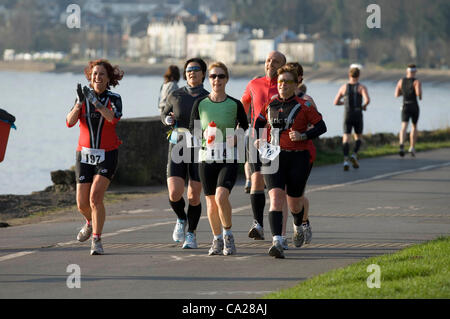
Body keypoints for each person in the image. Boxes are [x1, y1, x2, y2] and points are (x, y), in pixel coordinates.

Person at [256, 66, 326, 258]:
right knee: (276, 197)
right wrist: (258, 139)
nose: (283, 85)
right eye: (280, 82)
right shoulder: (270, 104)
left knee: (294, 203)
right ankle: (277, 240)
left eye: (287, 82)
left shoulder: (305, 105)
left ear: (296, 84)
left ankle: (298, 223)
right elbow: (258, 122)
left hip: (298, 157)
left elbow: (321, 127)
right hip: (274, 155)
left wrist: (303, 135)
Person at [190, 62, 249, 256]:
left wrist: (237, 135)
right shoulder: (201, 104)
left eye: (221, 76)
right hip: (207, 158)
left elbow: (244, 125)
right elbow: (193, 129)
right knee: (210, 203)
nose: (217, 80)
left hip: (228, 157)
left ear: (227, 79)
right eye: (213, 76)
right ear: (209, 79)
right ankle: (216, 239)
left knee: (221, 196)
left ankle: (228, 235)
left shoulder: (234, 104)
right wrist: (204, 134)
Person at [66, 59, 124, 255]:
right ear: (89, 77)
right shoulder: (81, 97)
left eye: (101, 74)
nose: (97, 77)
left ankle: (97, 240)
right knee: (82, 203)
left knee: (95, 197)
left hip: (107, 154)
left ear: (108, 79)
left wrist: (96, 102)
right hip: (84, 154)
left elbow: (112, 119)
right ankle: (90, 222)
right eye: (94, 74)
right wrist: (79, 104)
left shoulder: (114, 98)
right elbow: (69, 122)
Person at [161, 58, 209, 249]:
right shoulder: (176, 95)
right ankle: (181, 219)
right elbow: (163, 115)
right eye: (189, 70)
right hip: (178, 146)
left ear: (203, 74)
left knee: (194, 196)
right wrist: (168, 119)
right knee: (174, 192)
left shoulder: (208, 97)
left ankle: (191, 234)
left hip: (199, 148)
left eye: (196, 69)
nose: (192, 72)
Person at [241, 50, 286, 241]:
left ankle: (298, 222)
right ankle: (257, 224)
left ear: (283, 65)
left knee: (281, 191)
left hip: (279, 141)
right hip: (256, 139)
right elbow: (243, 106)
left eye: (276, 61)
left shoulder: (285, 86)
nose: (271, 64)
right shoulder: (253, 84)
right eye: (268, 60)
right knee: (257, 178)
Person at [333, 66, 370, 171]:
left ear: (349, 75)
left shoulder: (343, 87)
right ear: (358, 76)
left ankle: (345, 160)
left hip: (347, 114)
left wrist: (344, 103)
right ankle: (354, 155)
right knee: (358, 137)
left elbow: (335, 102)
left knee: (346, 138)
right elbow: (367, 100)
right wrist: (364, 106)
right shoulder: (361, 87)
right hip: (358, 113)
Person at [395, 64, 422, 157]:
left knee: (404, 126)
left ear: (407, 71)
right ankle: (412, 147)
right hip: (414, 105)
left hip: (405, 105)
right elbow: (418, 94)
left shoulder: (401, 81)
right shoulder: (416, 82)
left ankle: (401, 145)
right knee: (414, 126)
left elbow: (396, 94)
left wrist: (405, 93)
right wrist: (420, 95)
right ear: (414, 72)